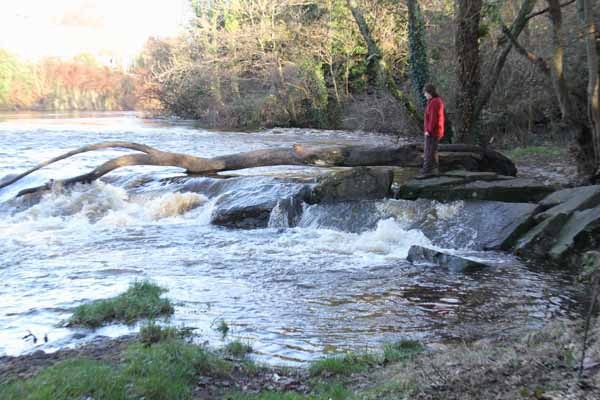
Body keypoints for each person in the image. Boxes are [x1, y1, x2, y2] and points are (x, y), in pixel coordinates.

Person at [422, 83, 445, 176]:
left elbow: (433, 119)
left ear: (430, 93)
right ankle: (435, 170)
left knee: (429, 151)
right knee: (433, 150)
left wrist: (428, 131)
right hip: (435, 131)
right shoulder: (434, 101)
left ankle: (426, 171)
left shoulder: (435, 102)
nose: (424, 95)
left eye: (425, 93)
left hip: (433, 132)